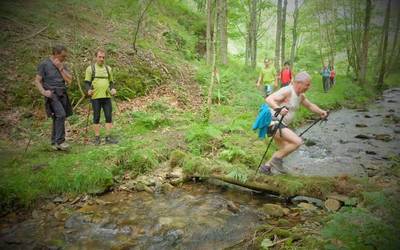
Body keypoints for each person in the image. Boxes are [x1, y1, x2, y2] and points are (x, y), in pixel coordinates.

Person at [259, 71, 328, 175]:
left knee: (286, 148)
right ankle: (274, 162)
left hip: (280, 124)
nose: (308, 87)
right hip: (272, 121)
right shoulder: (287, 91)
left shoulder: (300, 96)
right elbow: (269, 99)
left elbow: (310, 106)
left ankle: (266, 168)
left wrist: (321, 112)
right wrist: (278, 109)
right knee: (297, 142)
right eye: (307, 84)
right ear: (299, 83)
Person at [35, 45, 73, 151]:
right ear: (55, 54)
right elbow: (37, 80)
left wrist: (60, 68)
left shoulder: (63, 65)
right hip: (52, 94)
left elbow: (70, 80)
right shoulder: (44, 64)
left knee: (58, 117)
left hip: (63, 93)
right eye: (62, 56)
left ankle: (54, 142)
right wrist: (43, 91)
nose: (64, 58)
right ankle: (60, 141)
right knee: (61, 115)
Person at [84, 49, 118, 145]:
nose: (102, 59)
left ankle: (108, 137)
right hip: (95, 97)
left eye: (103, 57)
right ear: (95, 57)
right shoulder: (90, 69)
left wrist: (113, 89)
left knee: (108, 116)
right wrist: (88, 91)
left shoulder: (108, 68)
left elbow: (111, 82)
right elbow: (87, 83)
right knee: (96, 117)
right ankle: (97, 138)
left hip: (107, 96)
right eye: (100, 57)